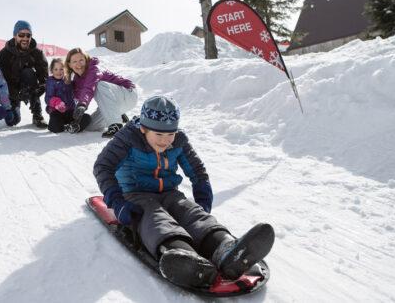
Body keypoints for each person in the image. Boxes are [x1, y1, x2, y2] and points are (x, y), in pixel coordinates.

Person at [93, 95, 275, 289]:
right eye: (159, 135)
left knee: (191, 213)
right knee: (154, 218)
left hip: (169, 192)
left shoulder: (178, 140)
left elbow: (197, 170)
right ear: (143, 128)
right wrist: (117, 202)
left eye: (170, 134)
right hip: (134, 194)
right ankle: (180, 254)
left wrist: (202, 195)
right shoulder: (127, 139)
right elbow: (103, 167)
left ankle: (227, 250)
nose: (165, 141)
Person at [65, 48, 137, 138]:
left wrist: (82, 105)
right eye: (74, 61)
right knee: (90, 126)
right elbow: (79, 96)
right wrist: (75, 118)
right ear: (70, 65)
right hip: (114, 102)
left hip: (128, 94)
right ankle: (118, 114)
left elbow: (89, 89)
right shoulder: (77, 79)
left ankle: (116, 125)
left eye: (81, 60)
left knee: (99, 85)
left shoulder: (94, 69)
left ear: (86, 60)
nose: (78, 64)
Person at [0, 20, 48, 129]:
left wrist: (36, 91)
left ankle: (37, 114)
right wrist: (17, 94)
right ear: (15, 36)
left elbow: (44, 78)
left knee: (28, 72)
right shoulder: (3, 54)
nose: (25, 38)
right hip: (11, 90)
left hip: (29, 86)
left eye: (28, 35)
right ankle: (14, 107)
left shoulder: (37, 53)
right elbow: (1, 81)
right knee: (12, 121)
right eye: (21, 35)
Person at [45, 58, 91, 133]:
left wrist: (81, 103)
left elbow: (77, 91)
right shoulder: (51, 82)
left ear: (65, 70)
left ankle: (73, 127)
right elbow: (48, 98)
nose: (58, 72)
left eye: (61, 69)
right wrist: (57, 103)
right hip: (57, 112)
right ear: (52, 71)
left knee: (87, 118)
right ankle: (62, 127)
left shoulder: (68, 81)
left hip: (70, 111)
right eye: (56, 69)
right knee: (55, 126)